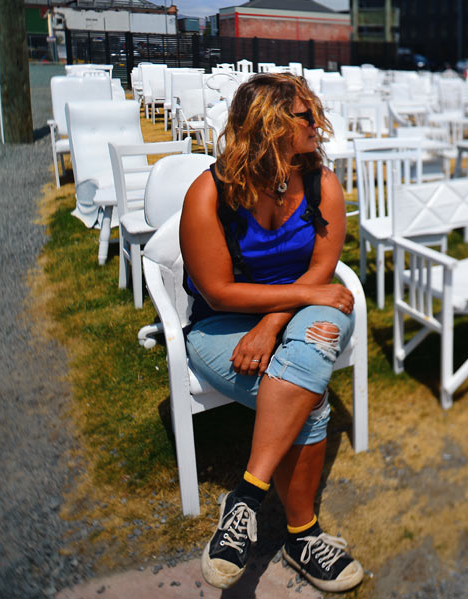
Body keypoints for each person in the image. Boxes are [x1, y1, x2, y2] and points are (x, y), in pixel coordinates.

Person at [179, 72, 363, 593]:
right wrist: (290, 305)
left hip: (306, 306)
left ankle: (246, 497)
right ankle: (302, 535)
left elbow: (320, 270)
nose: (319, 124)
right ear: (271, 125)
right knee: (310, 397)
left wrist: (274, 323)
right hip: (221, 325)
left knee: (318, 333)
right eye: (306, 116)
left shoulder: (322, 184)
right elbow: (218, 292)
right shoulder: (209, 193)